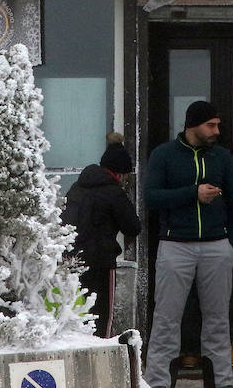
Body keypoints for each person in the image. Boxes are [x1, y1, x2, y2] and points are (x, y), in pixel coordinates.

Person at [145, 101, 233, 388]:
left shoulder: (222, 157)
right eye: (210, 125)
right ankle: (159, 383)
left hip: (217, 246)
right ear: (193, 125)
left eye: (218, 125)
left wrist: (232, 243)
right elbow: (152, 197)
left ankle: (221, 383)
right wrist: (194, 193)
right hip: (175, 245)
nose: (216, 130)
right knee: (166, 320)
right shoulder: (164, 155)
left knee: (217, 322)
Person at [61, 131, 142, 337]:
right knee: (101, 317)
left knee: (74, 315)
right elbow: (133, 227)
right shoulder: (114, 192)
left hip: (72, 262)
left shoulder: (77, 187)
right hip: (102, 264)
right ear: (121, 173)